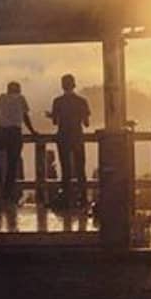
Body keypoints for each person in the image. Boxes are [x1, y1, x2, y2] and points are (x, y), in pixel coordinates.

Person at [46, 73, 91, 207]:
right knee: (80, 168)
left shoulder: (57, 101)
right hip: (77, 136)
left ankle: (67, 199)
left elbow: (55, 122)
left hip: (63, 137)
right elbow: (86, 123)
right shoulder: (82, 101)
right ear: (74, 85)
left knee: (65, 168)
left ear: (62, 86)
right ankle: (83, 198)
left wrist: (51, 116)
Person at [0, 81, 37, 200]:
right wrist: (32, 131)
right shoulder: (21, 99)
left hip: (2, 131)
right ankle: (8, 192)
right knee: (13, 163)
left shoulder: (2, 97)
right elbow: (25, 117)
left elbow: (1, 116)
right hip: (15, 132)